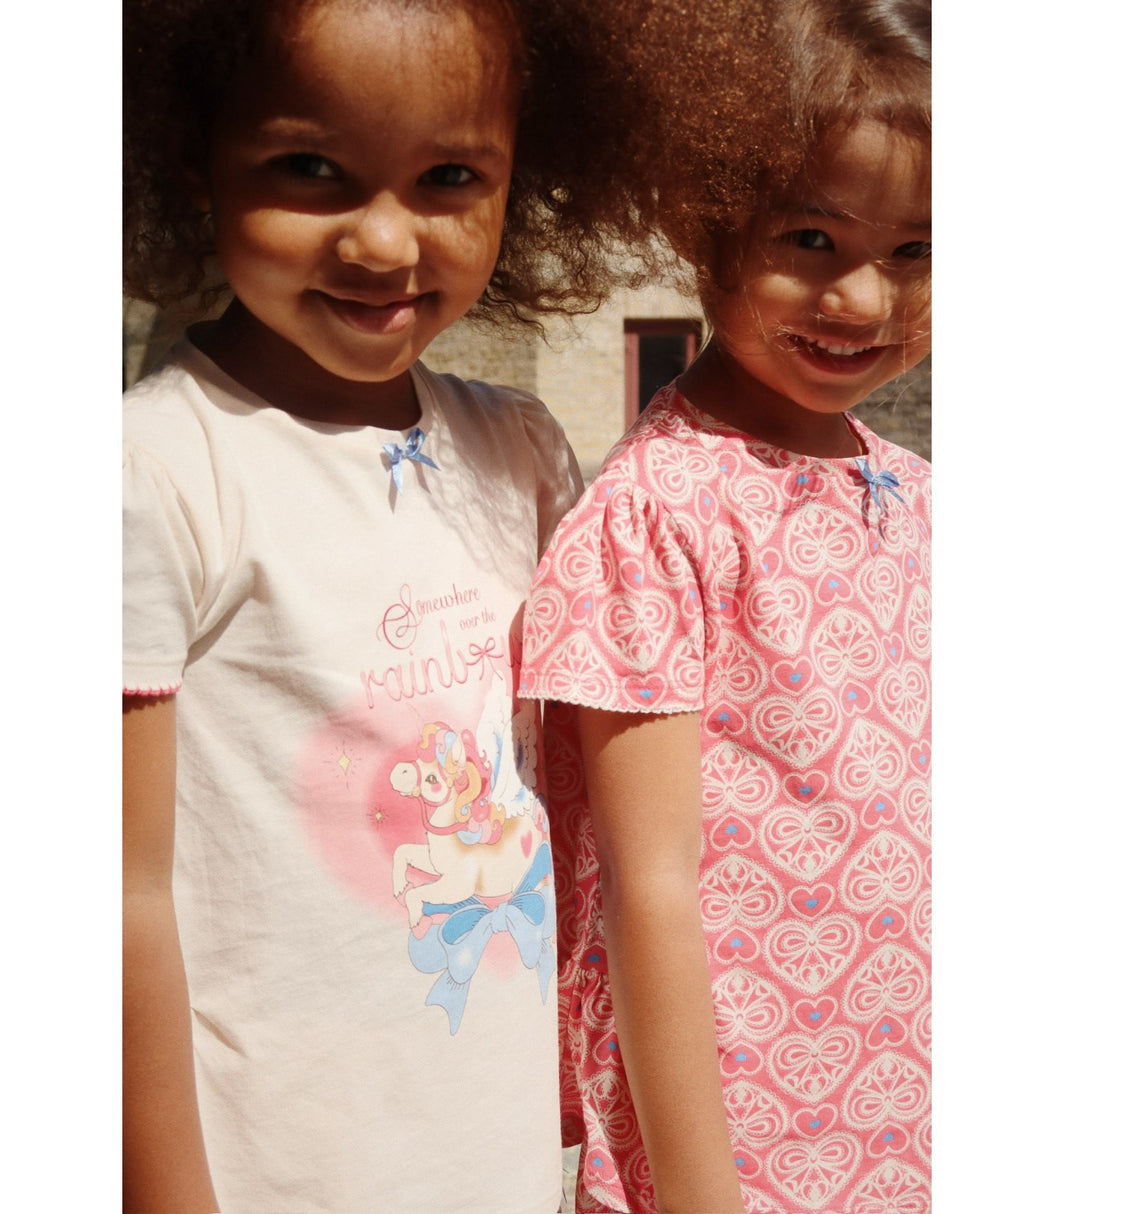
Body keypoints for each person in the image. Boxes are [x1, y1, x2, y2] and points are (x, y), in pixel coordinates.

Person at [120, 0, 752, 1209]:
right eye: (309, 168)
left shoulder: (518, 450)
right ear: (194, 154)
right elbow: (118, 898)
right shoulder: (152, 474)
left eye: (448, 176)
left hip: (501, 1165)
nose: (381, 239)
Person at [520, 1, 933, 1209]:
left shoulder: (918, 494)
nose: (860, 299)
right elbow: (645, 890)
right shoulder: (660, 514)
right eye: (810, 237)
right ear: (706, 219)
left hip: (912, 1116)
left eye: (915, 250)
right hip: (746, 1150)